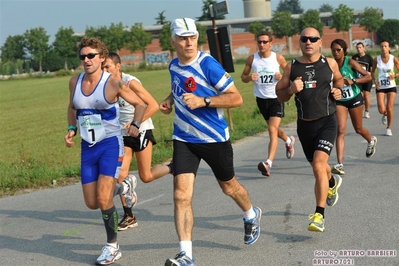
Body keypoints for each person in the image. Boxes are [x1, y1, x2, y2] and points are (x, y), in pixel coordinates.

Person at [159, 18, 261, 266]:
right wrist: (170, 101)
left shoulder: (208, 65)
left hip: (214, 139)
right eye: (183, 38)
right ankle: (186, 254)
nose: (189, 42)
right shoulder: (174, 65)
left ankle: (250, 214)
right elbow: (179, 88)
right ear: (173, 41)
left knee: (229, 187)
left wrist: (203, 101)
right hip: (184, 139)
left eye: (192, 37)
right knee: (181, 196)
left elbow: (236, 99)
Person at [64, 36, 147, 265]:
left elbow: (141, 104)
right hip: (88, 147)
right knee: (92, 202)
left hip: (110, 144)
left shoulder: (112, 83)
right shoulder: (74, 82)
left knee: (103, 197)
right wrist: (72, 128)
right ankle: (125, 186)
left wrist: (135, 125)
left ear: (101, 57)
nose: (86, 60)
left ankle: (112, 246)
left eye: (91, 55)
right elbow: (72, 107)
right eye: (83, 56)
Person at [276, 27, 344, 233]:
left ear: (320, 42)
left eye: (313, 39)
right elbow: (279, 95)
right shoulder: (291, 67)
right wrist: (290, 90)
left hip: (327, 121)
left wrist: (338, 89)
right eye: (305, 39)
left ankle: (319, 215)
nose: (309, 42)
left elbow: (339, 79)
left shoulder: (329, 63)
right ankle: (332, 181)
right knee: (319, 168)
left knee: (317, 166)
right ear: (300, 42)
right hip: (305, 125)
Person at [103, 52, 173, 231]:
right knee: (120, 175)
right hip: (122, 134)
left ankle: (172, 167)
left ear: (118, 66)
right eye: (102, 67)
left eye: (107, 67)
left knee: (146, 176)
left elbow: (153, 105)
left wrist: (135, 122)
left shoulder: (130, 82)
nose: (104, 70)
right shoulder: (105, 85)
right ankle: (129, 215)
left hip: (140, 130)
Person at [241, 31, 296, 177]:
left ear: (271, 43)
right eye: (259, 42)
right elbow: (243, 77)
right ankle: (289, 140)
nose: (262, 44)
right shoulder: (252, 59)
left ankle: (268, 163)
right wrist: (249, 78)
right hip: (261, 99)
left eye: (265, 42)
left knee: (272, 130)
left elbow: (290, 74)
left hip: (276, 97)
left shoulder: (277, 58)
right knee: (274, 130)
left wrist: (282, 76)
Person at [330, 39, 377, 176]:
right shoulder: (330, 64)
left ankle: (371, 140)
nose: (336, 52)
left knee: (358, 128)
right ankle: (339, 164)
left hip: (355, 97)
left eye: (338, 50)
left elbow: (368, 77)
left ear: (344, 50)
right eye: (333, 50)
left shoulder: (350, 62)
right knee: (341, 130)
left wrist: (353, 81)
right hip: (340, 100)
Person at [371, 40, 399, 136]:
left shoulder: (393, 59)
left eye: (385, 46)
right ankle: (385, 114)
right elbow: (372, 72)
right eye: (382, 46)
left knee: (389, 107)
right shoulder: (376, 59)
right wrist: (375, 81)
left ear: (389, 48)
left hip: (391, 85)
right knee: (381, 109)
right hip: (381, 86)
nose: (383, 48)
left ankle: (388, 128)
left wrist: (394, 76)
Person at [352, 42, 374, 118]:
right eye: (357, 48)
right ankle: (359, 110)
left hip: (367, 79)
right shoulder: (354, 58)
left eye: (360, 47)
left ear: (363, 48)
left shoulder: (368, 58)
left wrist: (370, 73)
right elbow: (351, 68)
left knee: (367, 96)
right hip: (359, 80)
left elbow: (374, 69)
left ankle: (367, 111)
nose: (359, 49)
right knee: (360, 97)